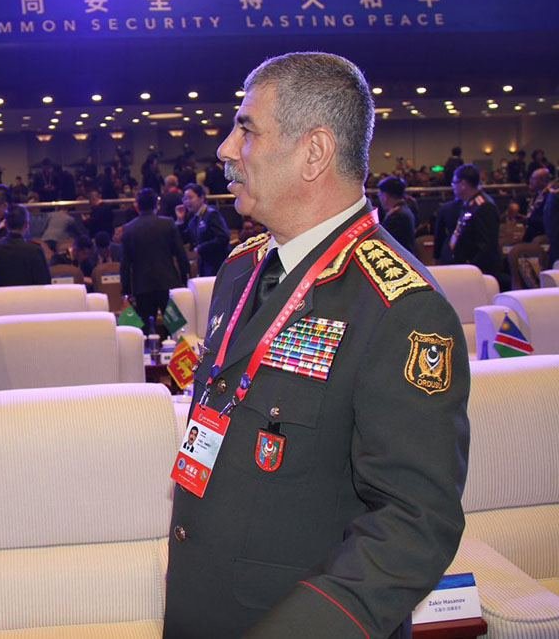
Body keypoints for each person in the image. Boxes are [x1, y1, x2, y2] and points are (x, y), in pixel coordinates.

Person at [163, 52, 469, 638]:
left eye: (247, 130)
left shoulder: (401, 308)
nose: (226, 149)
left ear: (315, 152)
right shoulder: (241, 268)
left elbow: (414, 523)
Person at [120, 187, 189, 327]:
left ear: (137, 206)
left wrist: (126, 290)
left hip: (142, 286)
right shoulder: (168, 223)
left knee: (145, 330)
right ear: (156, 204)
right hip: (168, 282)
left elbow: (125, 265)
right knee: (175, 328)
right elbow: (181, 254)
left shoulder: (128, 229)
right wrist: (184, 280)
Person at [446, 164, 501, 277]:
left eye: (454, 183)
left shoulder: (484, 206)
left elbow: (486, 246)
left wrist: (471, 269)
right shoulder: (469, 203)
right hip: (464, 266)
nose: (452, 186)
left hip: (477, 271)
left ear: (463, 184)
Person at [0, 204, 51, 287]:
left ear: (5, 224)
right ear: (26, 225)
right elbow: (44, 283)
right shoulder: (35, 251)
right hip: (28, 295)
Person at [175, 182, 231, 277]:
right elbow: (184, 238)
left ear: (201, 198)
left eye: (190, 198)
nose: (187, 202)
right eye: (185, 199)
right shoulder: (193, 219)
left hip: (218, 264)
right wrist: (180, 220)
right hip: (205, 266)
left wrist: (200, 248)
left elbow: (223, 237)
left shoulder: (211, 214)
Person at [377, 175, 416, 252]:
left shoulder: (397, 216)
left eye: (380, 194)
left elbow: (384, 242)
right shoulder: (404, 210)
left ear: (386, 196)